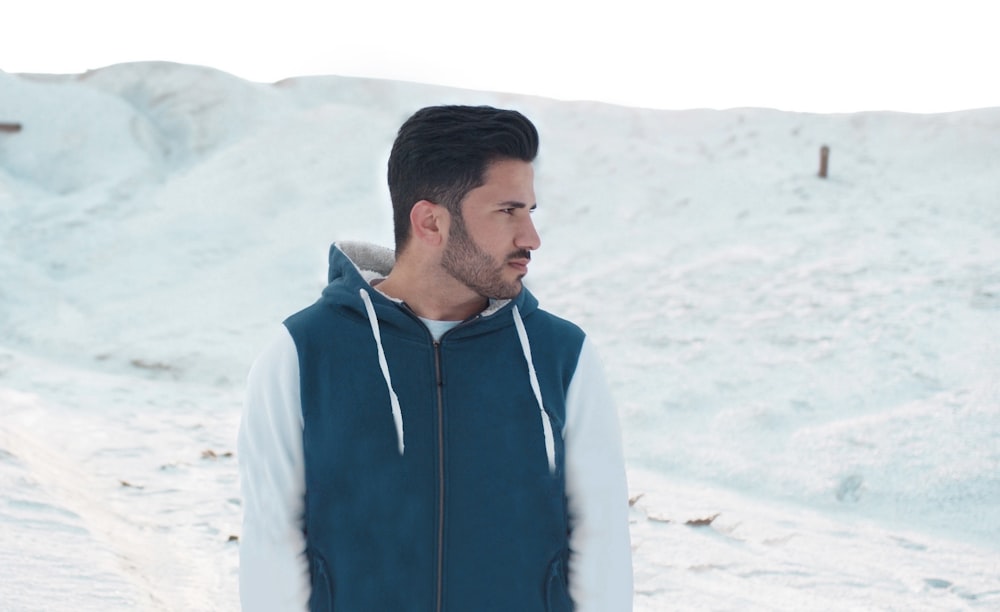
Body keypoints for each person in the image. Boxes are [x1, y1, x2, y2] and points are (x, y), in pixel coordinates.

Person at [238, 105, 632, 611]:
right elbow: (272, 548)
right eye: (508, 211)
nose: (531, 238)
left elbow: (602, 546)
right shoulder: (302, 353)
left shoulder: (562, 357)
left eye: (530, 212)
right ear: (430, 222)